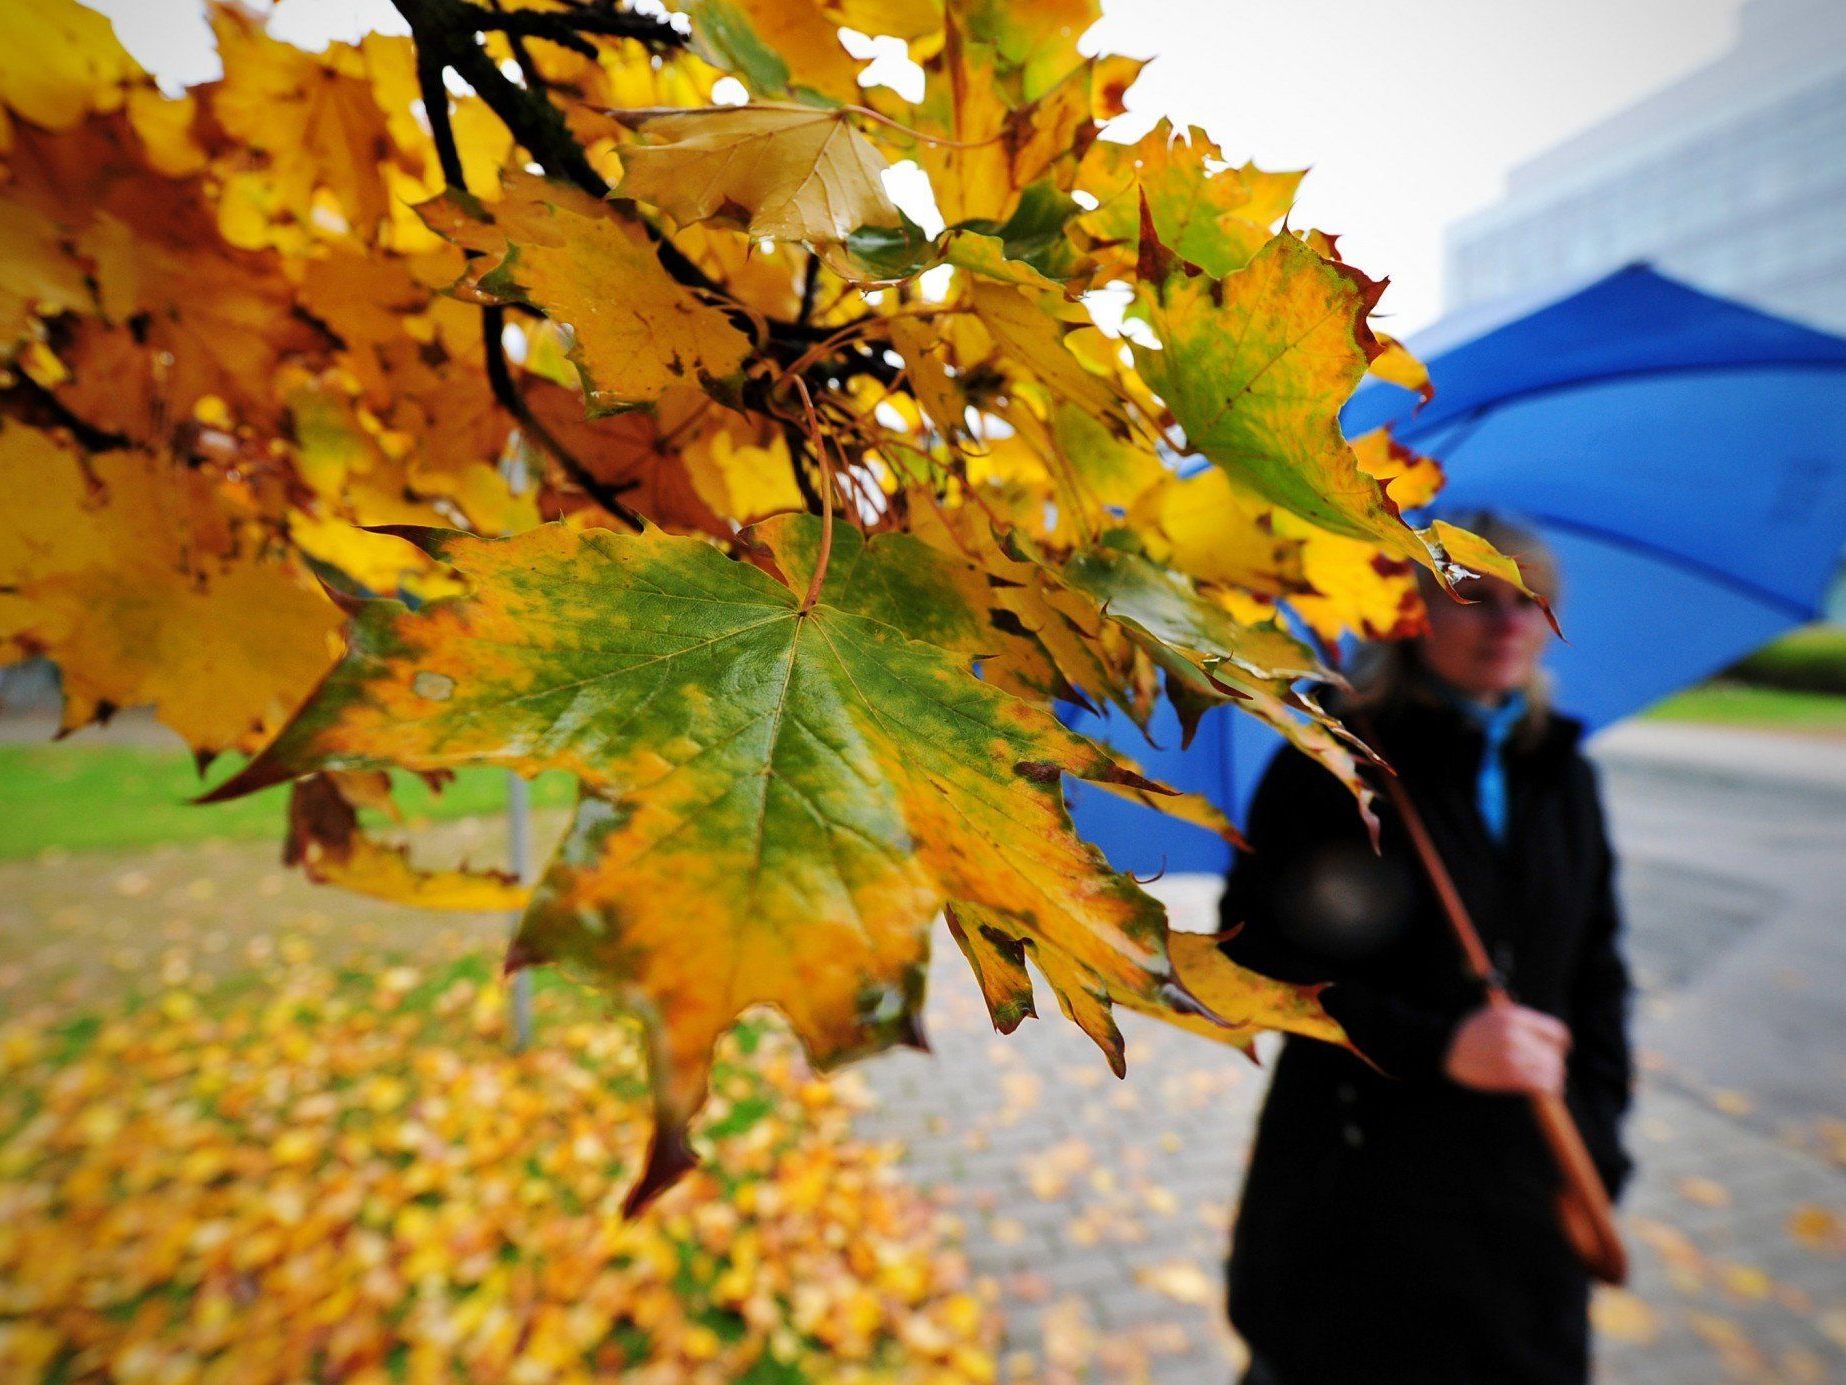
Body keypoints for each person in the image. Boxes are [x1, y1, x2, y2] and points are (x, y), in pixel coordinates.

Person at [1220, 516, 1634, 1385]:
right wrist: (1439, 1045)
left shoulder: (1563, 773)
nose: (1509, 622)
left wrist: (1597, 1140)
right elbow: (1256, 961)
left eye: (1531, 600)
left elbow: (1598, 971)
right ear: (1408, 615)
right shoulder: (1334, 762)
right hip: (1356, 1206)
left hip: (1526, 1203)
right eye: (1475, 596)